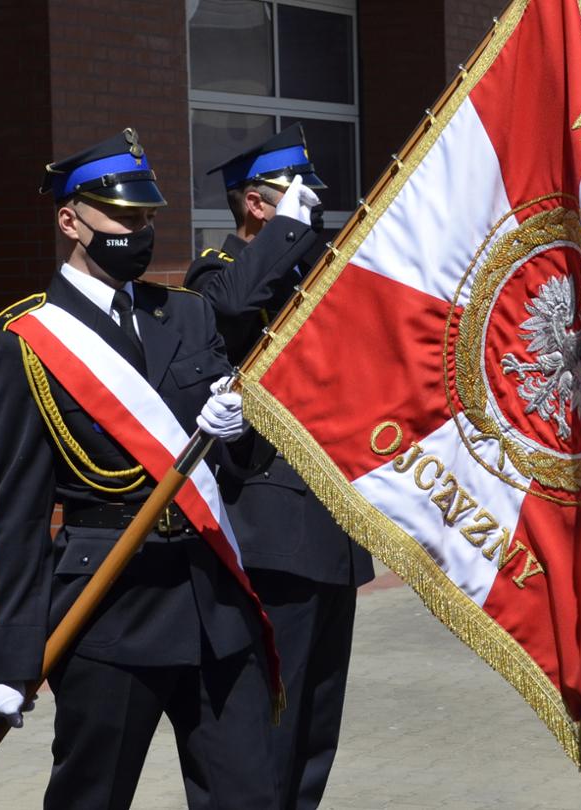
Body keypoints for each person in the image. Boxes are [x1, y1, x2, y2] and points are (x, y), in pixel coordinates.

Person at [0, 129, 276, 809]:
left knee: (252, 793)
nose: (139, 231)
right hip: (110, 608)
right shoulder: (27, 341)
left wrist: (240, 432)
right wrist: (11, 667)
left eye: (147, 218)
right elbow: (19, 514)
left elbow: (233, 465)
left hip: (211, 604)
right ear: (70, 220)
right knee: (94, 797)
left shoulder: (188, 316)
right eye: (124, 217)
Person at [184, 124, 373, 808]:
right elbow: (233, 305)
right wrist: (286, 237)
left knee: (317, 728)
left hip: (333, 533)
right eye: (298, 200)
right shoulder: (217, 270)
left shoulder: (310, 274)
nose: (313, 212)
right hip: (274, 535)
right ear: (258, 206)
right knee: (270, 724)